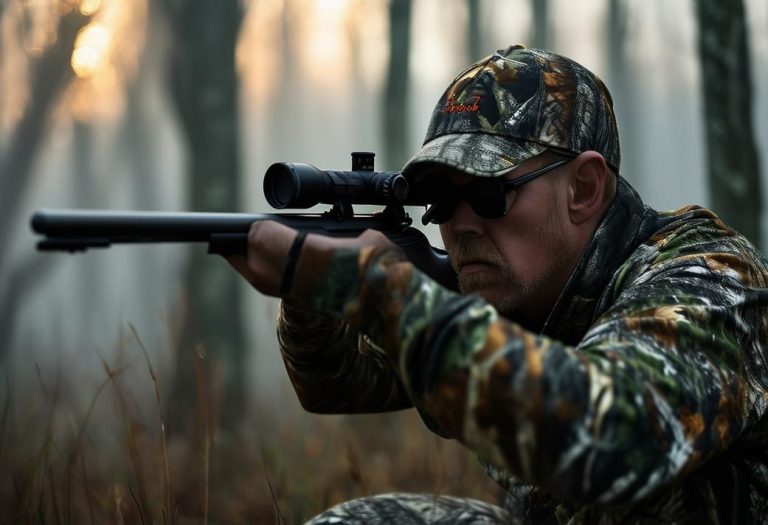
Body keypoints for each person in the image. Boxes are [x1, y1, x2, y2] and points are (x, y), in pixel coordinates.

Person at [226, 45, 768, 524]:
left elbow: (608, 435)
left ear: (583, 188)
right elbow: (340, 384)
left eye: (488, 193)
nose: (460, 224)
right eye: (439, 197)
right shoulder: (515, 291)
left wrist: (381, 290)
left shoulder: (707, 277)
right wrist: (314, 283)